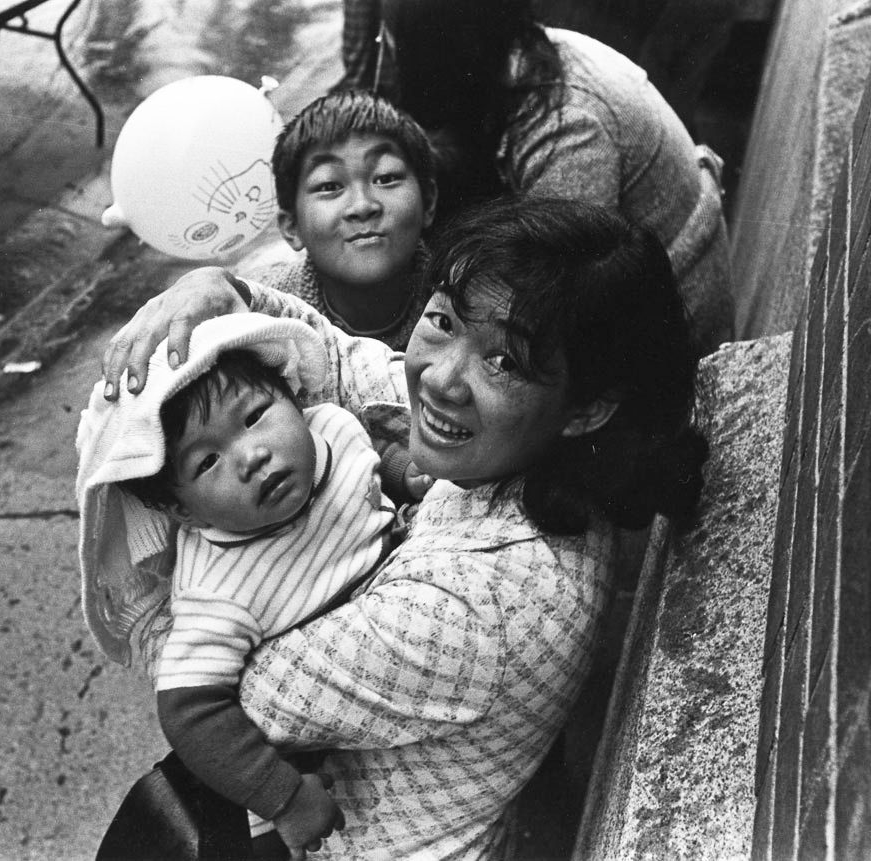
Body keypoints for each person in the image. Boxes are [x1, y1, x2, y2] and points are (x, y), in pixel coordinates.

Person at [96, 197, 708, 858]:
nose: (440, 379)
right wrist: (225, 294)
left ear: (587, 408)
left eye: (504, 362)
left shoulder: (485, 603)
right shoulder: (521, 454)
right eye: (442, 320)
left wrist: (180, 569)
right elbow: (345, 365)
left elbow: (227, 703)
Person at [77, 313, 403, 857]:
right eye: (207, 461)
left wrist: (402, 470)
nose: (251, 456)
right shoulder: (218, 590)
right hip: (311, 769)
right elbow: (189, 711)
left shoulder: (334, 429)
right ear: (182, 511)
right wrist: (285, 799)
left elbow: (370, 459)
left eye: (254, 416)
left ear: (291, 398)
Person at [332, 0, 734, 356]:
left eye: (398, 48)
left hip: (674, 318)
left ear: (440, 61)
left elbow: (558, 295)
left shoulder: (568, 129)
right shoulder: (515, 55)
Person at [260, 88, 437, 354]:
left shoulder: (466, 303)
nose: (362, 206)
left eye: (385, 178)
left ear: (429, 201)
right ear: (291, 227)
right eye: (330, 185)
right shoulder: (259, 314)